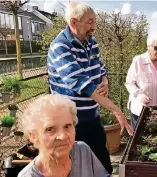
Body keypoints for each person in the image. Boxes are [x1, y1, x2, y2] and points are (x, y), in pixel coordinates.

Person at [47, 3, 133, 175]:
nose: (94, 26)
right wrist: (115, 109)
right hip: (70, 123)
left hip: (92, 118)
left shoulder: (90, 42)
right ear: (73, 22)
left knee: (102, 164)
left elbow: (100, 66)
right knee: (75, 169)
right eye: (89, 22)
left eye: (94, 21)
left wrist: (105, 80)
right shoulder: (60, 47)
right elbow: (81, 84)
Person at [18, 94, 107, 177]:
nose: (63, 136)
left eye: (67, 126)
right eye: (50, 129)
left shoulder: (82, 151)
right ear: (34, 137)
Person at [125, 30, 157, 129]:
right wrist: (139, 94)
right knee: (140, 139)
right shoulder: (139, 61)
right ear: (148, 46)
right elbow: (129, 83)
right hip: (139, 111)